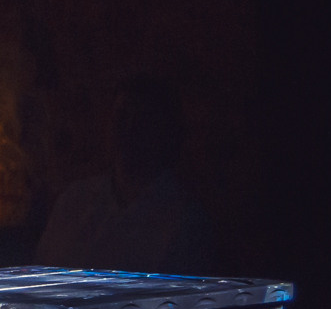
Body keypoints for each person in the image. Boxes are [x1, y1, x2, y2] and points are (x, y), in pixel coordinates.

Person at [35, 77, 212, 273]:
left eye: (142, 120)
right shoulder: (75, 200)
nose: (128, 129)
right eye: (121, 117)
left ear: (164, 132)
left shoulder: (183, 218)